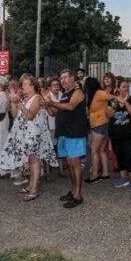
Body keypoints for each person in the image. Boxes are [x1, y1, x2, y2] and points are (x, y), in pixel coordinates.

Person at [0, 74, 57, 201]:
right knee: (30, 159)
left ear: (32, 86)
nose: (22, 86)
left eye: (25, 84)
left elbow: (30, 116)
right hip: (26, 133)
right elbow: (15, 115)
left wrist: (19, 102)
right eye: (22, 84)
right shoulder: (25, 98)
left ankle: (34, 189)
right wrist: (13, 102)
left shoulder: (37, 97)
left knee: (34, 159)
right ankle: (31, 185)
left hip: (35, 132)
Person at [43, 69, 87, 209]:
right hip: (64, 133)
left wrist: (52, 103)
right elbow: (56, 112)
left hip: (75, 133)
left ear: (72, 78)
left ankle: (78, 195)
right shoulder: (64, 94)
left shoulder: (78, 92)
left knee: (75, 164)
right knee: (70, 163)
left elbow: (71, 106)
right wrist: (48, 105)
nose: (63, 80)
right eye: (61, 78)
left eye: (65, 77)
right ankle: (73, 191)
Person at [109, 80, 131, 192]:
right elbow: (108, 114)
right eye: (123, 87)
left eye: (127, 87)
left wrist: (125, 101)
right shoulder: (113, 100)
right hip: (115, 134)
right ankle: (123, 178)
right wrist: (116, 104)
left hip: (129, 134)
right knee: (119, 155)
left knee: (128, 156)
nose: (126, 89)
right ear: (118, 88)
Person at [83, 76, 113, 183]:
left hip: (100, 124)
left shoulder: (99, 93)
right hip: (103, 124)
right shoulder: (95, 95)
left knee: (94, 149)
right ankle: (105, 173)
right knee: (101, 150)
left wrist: (114, 107)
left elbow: (112, 97)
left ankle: (95, 174)